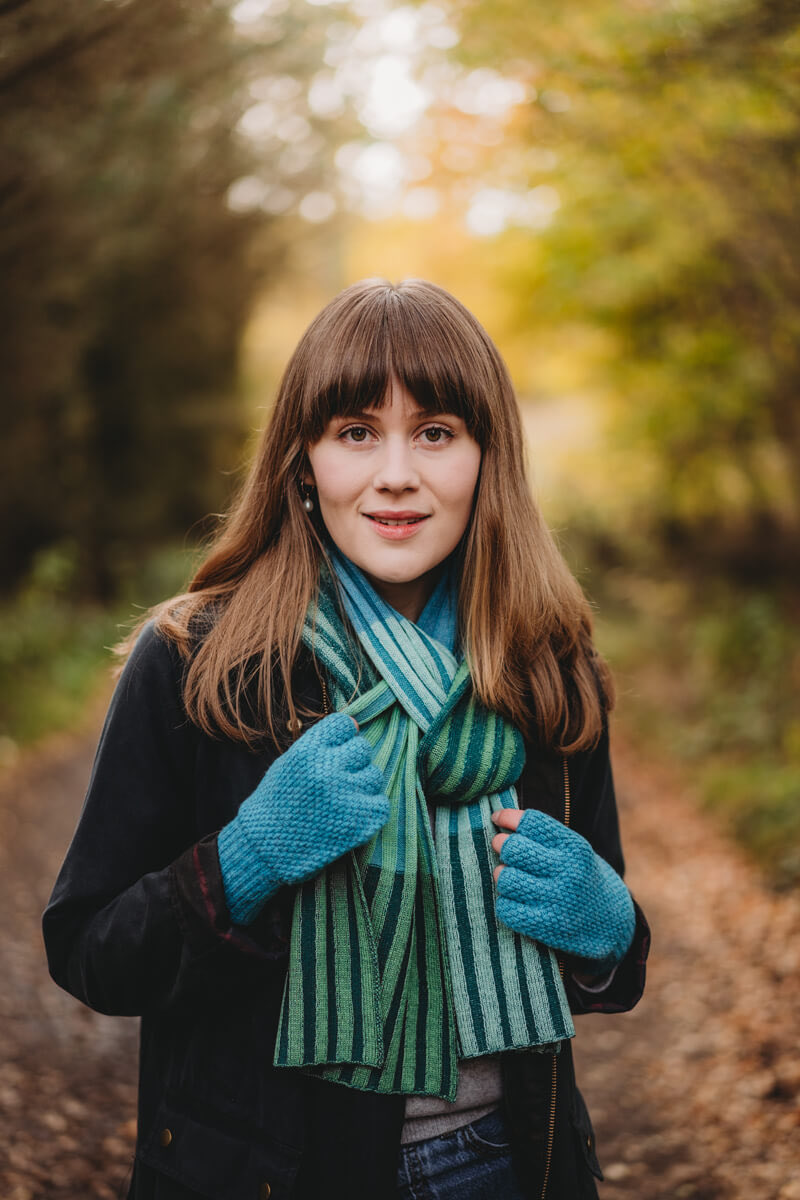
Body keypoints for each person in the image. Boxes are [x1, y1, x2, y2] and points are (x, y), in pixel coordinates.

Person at [43, 278, 649, 1200]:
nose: (396, 473)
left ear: (488, 459)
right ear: (303, 461)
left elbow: (611, 966)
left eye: (435, 432)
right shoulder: (197, 659)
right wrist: (246, 859)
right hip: (267, 1175)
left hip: (508, 1161)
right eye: (357, 432)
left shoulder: (548, 668)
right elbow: (91, 951)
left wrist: (607, 928)